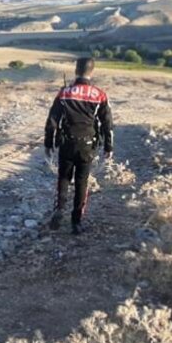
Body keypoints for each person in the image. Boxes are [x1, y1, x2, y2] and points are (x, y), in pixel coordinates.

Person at [44, 57, 114, 235]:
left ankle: (59, 210)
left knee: (63, 179)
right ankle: (76, 222)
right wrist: (108, 147)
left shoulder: (65, 93)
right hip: (87, 146)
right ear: (92, 71)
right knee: (82, 182)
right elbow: (107, 124)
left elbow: (52, 121)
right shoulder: (99, 95)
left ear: (76, 70)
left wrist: (49, 143)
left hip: (67, 143)